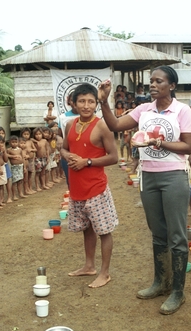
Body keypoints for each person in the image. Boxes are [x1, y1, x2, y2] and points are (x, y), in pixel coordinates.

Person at [99, 65, 191, 314]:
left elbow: (188, 147)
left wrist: (159, 142)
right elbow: (114, 125)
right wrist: (104, 101)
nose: (152, 85)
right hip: (148, 176)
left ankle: (177, 291)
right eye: (151, 81)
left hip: (174, 176)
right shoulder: (144, 109)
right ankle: (160, 282)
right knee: (157, 233)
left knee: (176, 235)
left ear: (171, 86)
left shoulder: (182, 111)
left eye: (159, 81)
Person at [60, 83, 118, 289]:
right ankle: (89, 266)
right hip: (77, 188)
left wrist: (88, 162)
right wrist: (68, 156)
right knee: (87, 228)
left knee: (104, 231)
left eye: (91, 101)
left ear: (96, 103)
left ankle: (105, 273)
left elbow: (114, 157)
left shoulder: (102, 126)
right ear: (74, 104)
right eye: (82, 101)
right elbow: (64, 150)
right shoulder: (70, 125)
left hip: (96, 188)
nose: (86, 105)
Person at [58, 92, 79, 186]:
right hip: (68, 154)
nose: (74, 102)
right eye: (72, 100)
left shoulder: (89, 117)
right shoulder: (63, 118)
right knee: (70, 181)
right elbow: (59, 134)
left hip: (83, 154)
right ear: (69, 102)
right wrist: (58, 139)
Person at [0, 127, 12, 203]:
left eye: (2, 133)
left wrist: (4, 150)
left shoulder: (4, 143)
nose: (1, 134)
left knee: (7, 180)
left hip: (5, 165)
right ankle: (0, 199)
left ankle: (9, 197)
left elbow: (6, 158)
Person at [7, 136, 27, 201]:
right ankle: (14, 195)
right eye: (13, 142)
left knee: (20, 181)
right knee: (14, 182)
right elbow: (6, 155)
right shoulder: (9, 150)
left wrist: (24, 167)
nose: (14, 144)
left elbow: (23, 158)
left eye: (16, 142)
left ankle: (20, 193)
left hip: (20, 166)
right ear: (10, 143)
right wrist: (12, 156)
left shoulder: (20, 149)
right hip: (14, 167)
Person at [20, 128, 37, 194]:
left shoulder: (30, 142)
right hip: (25, 161)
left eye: (27, 134)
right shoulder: (21, 142)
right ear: (22, 134)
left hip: (31, 160)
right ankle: (26, 189)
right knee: (25, 176)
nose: (26, 135)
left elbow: (35, 149)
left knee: (30, 175)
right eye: (24, 134)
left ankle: (30, 188)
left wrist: (31, 150)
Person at [32, 127, 50, 191]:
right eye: (36, 134)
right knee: (37, 173)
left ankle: (43, 185)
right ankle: (37, 186)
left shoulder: (44, 141)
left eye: (39, 134)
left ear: (42, 134)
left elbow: (47, 149)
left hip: (44, 158)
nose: (38, 136)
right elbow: (31, 140)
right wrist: (36, 142)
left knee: (43, 172)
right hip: (37, 159)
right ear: (34, 135)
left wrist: (48, 158)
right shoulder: (34, 142)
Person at [0, 134, 8, 206]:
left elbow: (6, 160)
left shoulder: (2, 150)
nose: (0, 144)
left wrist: (4, 151)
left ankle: (1, 200)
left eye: (1, 142)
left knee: (1, 185)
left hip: (3, 167)